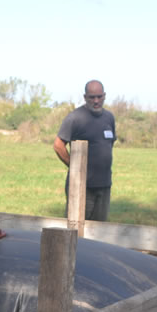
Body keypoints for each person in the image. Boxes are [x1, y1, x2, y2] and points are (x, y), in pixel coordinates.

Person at [53, 79, 116, 221]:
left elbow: (110, 144)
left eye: (99, 97)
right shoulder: (75, 118)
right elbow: (58, 145)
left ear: (104, 96)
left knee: (99, 233)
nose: (96, 101)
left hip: (104, 186)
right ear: (85, 97)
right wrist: (75, 166)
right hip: (81, 187)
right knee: (75, 230)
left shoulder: (109, 118)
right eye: (92, 97)